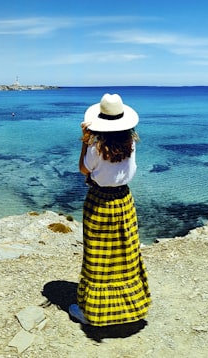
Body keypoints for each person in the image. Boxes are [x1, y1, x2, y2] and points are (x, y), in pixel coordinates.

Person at [68, 93, 150, 327]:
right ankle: (129, 308)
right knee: (125, 254)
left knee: (97, 257)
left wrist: (85, 140)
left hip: (99, 201)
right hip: (123, 200)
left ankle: (94, 313)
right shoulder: (130, 144)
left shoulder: (96, 148)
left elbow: (83, 169)